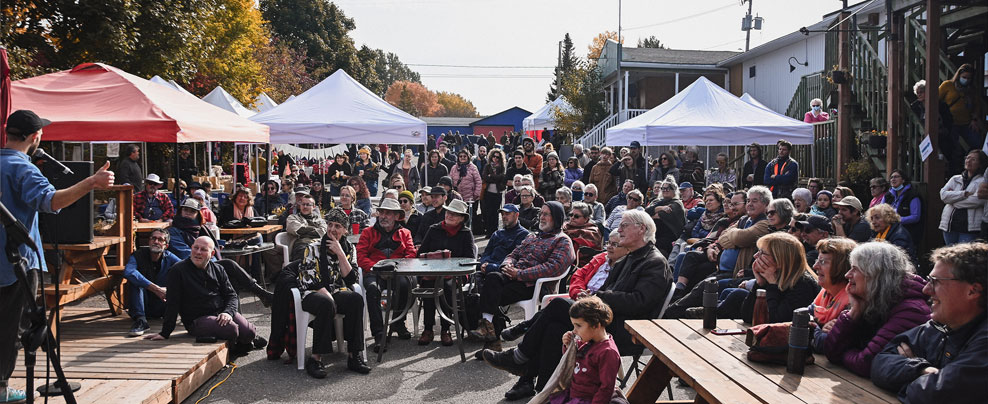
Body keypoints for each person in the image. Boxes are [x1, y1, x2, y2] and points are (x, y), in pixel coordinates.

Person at [481, 210, 671, 400]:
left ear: (641, 229)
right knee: (555, 328)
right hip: (605, 319)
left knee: (557, 306)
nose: (618, 229)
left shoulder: (654, 262)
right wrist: (591, 297)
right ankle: (543, 390)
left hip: (628, 330)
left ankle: (520, 357)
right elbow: (608, 289)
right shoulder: (630, 257)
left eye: (624, 225)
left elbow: (639, 303)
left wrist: (597, 297)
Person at [0, 110, 117, 402]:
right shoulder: (22, 168)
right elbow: (52, 201)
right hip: (15, 264)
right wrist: (91, 183)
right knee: (12, 328)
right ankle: (0, 389)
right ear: (35, 137)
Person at [871, 242, 987, 402]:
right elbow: (880, 362)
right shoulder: (939, 326)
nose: (926, 289)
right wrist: (921, 370)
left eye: (935, 281)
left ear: (972, 291)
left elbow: (934, 394)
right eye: (928, 280)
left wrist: (908, 380)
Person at [269, 208, 372, 377]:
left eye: (337, 226)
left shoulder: (348, 249)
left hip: (336, 289)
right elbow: (310, 280)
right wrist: (330, 297)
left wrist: (340, 253)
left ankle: (354, 356)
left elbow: (351, 279)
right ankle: (315, 359)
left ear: (345, 230)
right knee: (326, 304)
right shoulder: (313, 248)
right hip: (311, 292)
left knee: (356, 299)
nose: (332, 229)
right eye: (330, 224)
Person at [468, 202, 575, 347]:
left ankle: (492, 339)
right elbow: (513, 254)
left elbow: (552, 268)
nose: (541, 217)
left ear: (556, 218)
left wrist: (520, 274)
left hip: (534, 286)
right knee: (492, 279)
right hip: (513, 279)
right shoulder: (533, 237)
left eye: (546, 214)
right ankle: (489, 330)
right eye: (541, 214)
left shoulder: (562, 241)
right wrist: (507, 265)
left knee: (489, 294)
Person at [819, 242, 931, 377]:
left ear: (875, 274)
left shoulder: (911, 310)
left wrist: (844, 352)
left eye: (855, 269)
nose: (847, 275)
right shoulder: (871, 300)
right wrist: (853, 313)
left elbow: (865, 363)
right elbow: (831, 351)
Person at [145, 237, 265, 357]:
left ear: (212, 253)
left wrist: (228, 312)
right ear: (191, 248)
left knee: (249, 332)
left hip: (221, 312)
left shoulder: (218, 269)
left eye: (203, 249)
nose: (198, 252)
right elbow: (172, 303)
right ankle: (238, 345)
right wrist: (165, 333)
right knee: (231, 329)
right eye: (196, 248)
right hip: (197, 319)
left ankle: (245, 341)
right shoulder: (177, 271)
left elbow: (231, 295)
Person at [705, 232, 820, 321]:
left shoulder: (802, 284)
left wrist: (772, 285)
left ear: (780, 259)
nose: (756, 256)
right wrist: (759, 284)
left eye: (762, 253)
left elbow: (774, 320)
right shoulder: (776, 276)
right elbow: (747, 316)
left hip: (786, 344)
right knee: (737, 295)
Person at [356, 198, 416, 350]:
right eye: (381, 212)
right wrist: (377, 269)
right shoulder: (367, 232)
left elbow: (411, 254)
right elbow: (361, 257)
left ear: (396, 216)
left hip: (398, 273)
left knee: (405, 286)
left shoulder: (405, 233)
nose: (383, 216)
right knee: (372, 290)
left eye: (388, 213)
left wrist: (396, 269)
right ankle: (378, 333)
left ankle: (398, 322)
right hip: (374, 273)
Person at [416, 200, 477, 346]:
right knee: (429, 285)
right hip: (431, 272)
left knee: (447, 286)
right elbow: (420, 253)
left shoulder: (465, 233)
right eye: (449, 212)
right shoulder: (434, 229)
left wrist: (451, 263)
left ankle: (446, 329)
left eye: (455, 214)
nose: (450, 215)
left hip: (456, 274)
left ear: (462, 218)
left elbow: (469, 258)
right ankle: (428, 329)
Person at [544, 296, 622, 404]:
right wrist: (567, 346)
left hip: (589, 399)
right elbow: (573, 361)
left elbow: (606, 388)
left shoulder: (607, 352)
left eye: (578, 326)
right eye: (573, 325)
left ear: (596, 325)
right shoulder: (587, 341)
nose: (574, 331)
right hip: (574, 395)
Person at [123, 229, 181, 337]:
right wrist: (155, 288)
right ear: (149, 241)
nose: (156, 241)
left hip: (163, 304)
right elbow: (129, 272)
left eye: (160, 239)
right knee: (136, 281)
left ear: (166, 245)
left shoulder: (170, 257)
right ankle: (141, 322)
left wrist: (169, 289)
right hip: (142, 304)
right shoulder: (138, 255)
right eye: (153, 238)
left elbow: (186, 271)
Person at [938, 64, 986, 174]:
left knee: (977, 143)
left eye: (969, 78)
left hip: (966, 123)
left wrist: (974, 119)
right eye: (964, 77)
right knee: (953, 147)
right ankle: (954, 170)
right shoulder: (947, 85)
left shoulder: (971, 90)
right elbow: (936, 99)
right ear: (959, 75)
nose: (966, 80)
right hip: (951, 123)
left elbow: (976, 106)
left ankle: (975, 166)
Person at [808, 238, 855, 344]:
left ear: (841, 267)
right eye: (817, 260)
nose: (815, 266)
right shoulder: (825, 293)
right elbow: (801, 317)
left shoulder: (852, 301)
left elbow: (825, 343)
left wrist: (813, 328)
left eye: (823, 262)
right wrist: (819, 330)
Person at [939, 149, 986, 245]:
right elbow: (943, 196)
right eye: (967, 158)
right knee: (949, 256)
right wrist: (963, 194)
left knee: (964, 258)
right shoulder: (955, 179)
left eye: (973, 159)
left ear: (980, 164)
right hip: (949, 226)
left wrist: (952, 201)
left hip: (969, 229)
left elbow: (977, 200)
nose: (968, 161)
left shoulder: (982, 181)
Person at [478, 204, 531, 274]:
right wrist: (484, 263)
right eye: (502, 214)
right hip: (489, 264)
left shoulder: (523, 234)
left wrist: (490, 266)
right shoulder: (497, 233)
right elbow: (487, 252)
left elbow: (516, 258)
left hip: (504, 268)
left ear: (516, 215)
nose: (504, 216)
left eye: (507, 214)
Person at [645, 178, 686, 258]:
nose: (664, 190)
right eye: (663, 188)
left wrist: (653, 213)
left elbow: (661, 215)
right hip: (655, 235)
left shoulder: (677, 204)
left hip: (669, 237)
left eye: (668, 188)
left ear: (674, 190)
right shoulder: (660, 202)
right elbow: (645, 212)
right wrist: (661, 208)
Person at [883, 169, 921, 245]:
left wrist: (897, 220)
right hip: (889, 231)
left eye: (896, 177)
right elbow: (881, 210)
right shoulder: (887, 195)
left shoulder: (912, 195)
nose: (893, 179)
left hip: (907, 233)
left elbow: (915, 217)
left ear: (903, 180)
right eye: (891, 177)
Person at [286, 193, 327, 261]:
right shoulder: (292, 218)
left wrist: (304, 231)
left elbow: (323, 232)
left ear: (314, 207)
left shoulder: (320, 220)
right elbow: (298, 230)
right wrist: (315, 229)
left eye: (308, 205)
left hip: (318, 245)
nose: (305, 207)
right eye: (303, 204)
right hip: (302, 245)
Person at [451, 149, 483, 232]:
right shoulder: (454, 168)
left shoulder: (473, 168)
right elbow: (450, 180)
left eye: (464, 156)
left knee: (469, 218)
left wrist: (476, 194)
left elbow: (478, 181)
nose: (462, 158)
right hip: (457, 197)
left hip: (470, 198)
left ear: (468, 157)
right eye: (460, 156)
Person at [481, 148, 507, 237]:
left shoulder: (502, 167)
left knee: (495, 213)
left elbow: (502, 177)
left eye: (498, 157)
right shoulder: (487, 166)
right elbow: (485, 177)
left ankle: (494, 231)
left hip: (497, 192)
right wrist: (495, 177)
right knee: (488, 212)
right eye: (494, 156)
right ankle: (489, 231)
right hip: (488, 192)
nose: (495, 158)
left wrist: (492, 176)